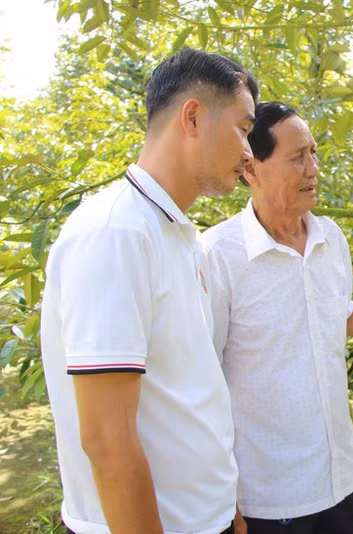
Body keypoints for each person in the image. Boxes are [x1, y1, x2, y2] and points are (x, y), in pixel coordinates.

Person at [40, 48, 258, 534]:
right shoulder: (115, 232)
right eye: (243, 128)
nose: (249, 151)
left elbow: (189, 390)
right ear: (194, 116)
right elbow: (106, 440)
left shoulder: (181, 237)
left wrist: (228, 510)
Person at [201, 101, 353, 534]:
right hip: (268, 498)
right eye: (297, 157)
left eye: (314, 153)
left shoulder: (331, 238)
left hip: (342, 478)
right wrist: (222, 499)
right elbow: (201, 380)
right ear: (250, 169)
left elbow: (333, 322)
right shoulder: (218, 256)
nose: (312, 169)